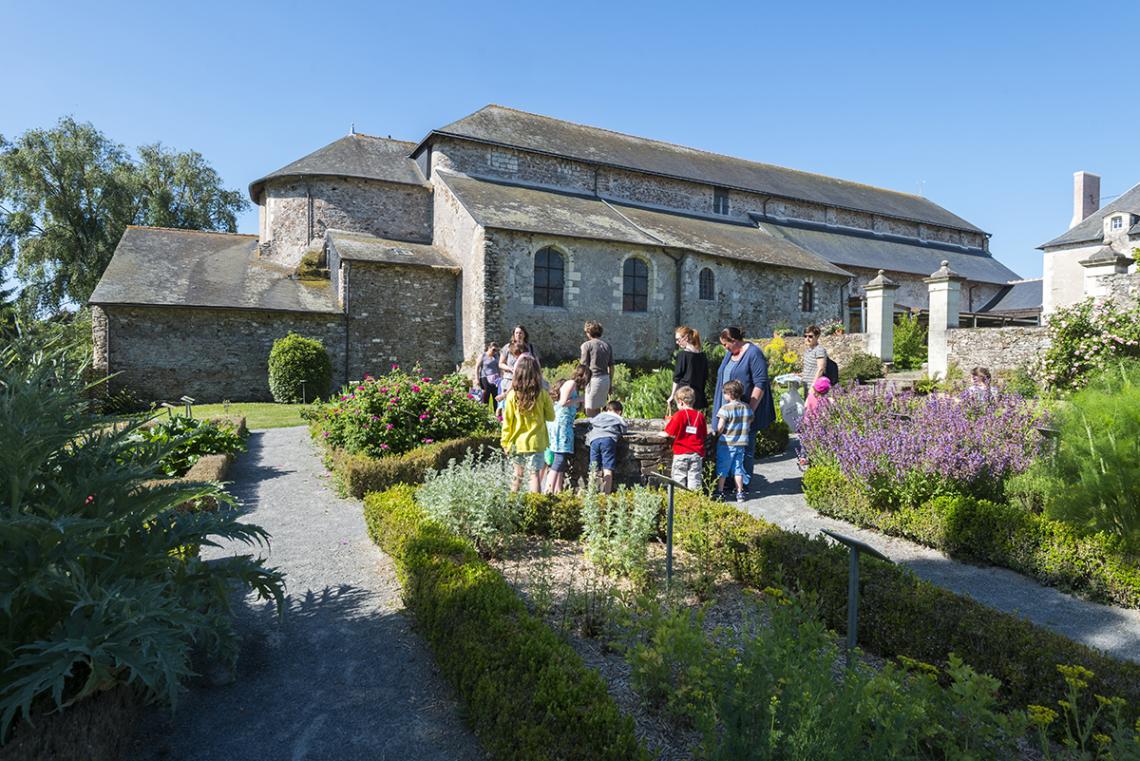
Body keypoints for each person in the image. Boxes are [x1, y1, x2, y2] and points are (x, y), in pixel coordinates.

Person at [712, 327, 774, 490]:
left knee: (744, 448)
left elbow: (760, 383)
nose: (724, 348)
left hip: (743, 413)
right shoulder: (730, 353)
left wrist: (749, 410)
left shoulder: (753, 354)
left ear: (735, 341)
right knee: (727, 448)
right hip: (728, 410)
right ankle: (728, 481)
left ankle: (742, 484)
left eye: (726, 345)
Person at [500, 355, 555, 493]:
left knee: (517, 476)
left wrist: (505, 442)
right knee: (534, 476)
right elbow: (551, 417)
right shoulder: (542, 394)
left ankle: (512, 505)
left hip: (516, 442)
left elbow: (507, 422)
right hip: (536, 442)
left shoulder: (512, 395)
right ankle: (535, 508)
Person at [545, 364, 591, 494]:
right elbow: (563, 402)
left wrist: (580, 401)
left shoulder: (573, 386)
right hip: (561, 425)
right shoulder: (571, 383)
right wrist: (580, 399)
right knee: (559, 458)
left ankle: (557, 491)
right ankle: (548, 491)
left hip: (563, 423)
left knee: (562, 459)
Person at [715, 380, 753, 502]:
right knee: (738, 468)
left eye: (724, 393)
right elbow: (750, 421)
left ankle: (720, 492)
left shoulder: (725, 409)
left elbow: (720, 427)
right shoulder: (747, 407)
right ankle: (740, 493)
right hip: (741, 443)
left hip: (726, 443)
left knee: (723, 468)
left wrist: (717, 433)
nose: (724, 395)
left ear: (730, 394)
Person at [664, 385, 707, 491]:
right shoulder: (700, 416)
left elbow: (669, 433)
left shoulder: (679, 415)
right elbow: (704, 434)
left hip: (681, 453)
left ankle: (680, 502)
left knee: (678, 480)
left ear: (681, 402)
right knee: (695, 481)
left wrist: (662, 433)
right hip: (696, 454)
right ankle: (694, 502)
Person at [586, 400, 626, 494]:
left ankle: (591, 493)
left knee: (593, 468)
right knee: (607, 468)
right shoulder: (617, 417)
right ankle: (606, 494)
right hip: (608, 440)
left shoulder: (599, 416)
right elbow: (624, 429)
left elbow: (590, 425)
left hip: (594, 440)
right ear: (619, 411)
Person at [668, 326, 708, 411]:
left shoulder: (683, 355)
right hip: (697, 395)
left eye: (678, 339)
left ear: (686, 338)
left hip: (684, 395)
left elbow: (677, 377)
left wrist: (672, 395)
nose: (677, 342)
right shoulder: (703, 356)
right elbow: (705, 377)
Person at [579, 321, 613, 417]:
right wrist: (610, 383)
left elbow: (583, 365)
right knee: (598, 409)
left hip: (593, 379)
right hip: (605, 379)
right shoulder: (607, 345)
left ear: (588, 332)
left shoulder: (586, 345)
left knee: (589, 410)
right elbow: (611, 366)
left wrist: (579, 382)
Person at [801, 325, 828, 401]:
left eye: (810, 336)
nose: (807, 339)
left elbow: (821, 369)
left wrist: (814, 386)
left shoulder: (819, 350)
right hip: (807, 386)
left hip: (815, 388)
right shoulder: (808, 351)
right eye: (805, 336)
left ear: (817, 336)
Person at [477, 342, 501, 410]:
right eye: (493, 350)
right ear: (489, 348)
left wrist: (501, 377)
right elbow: (477, 367)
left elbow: (499, 367)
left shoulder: (496, 356)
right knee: (486, 396)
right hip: (485, 378)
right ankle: (485, 414)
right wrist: (477, 379)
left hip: (495, 378)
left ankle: (497, 415)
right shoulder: (483, 355)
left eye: (496, 350)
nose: (495, 351)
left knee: (496, 396)